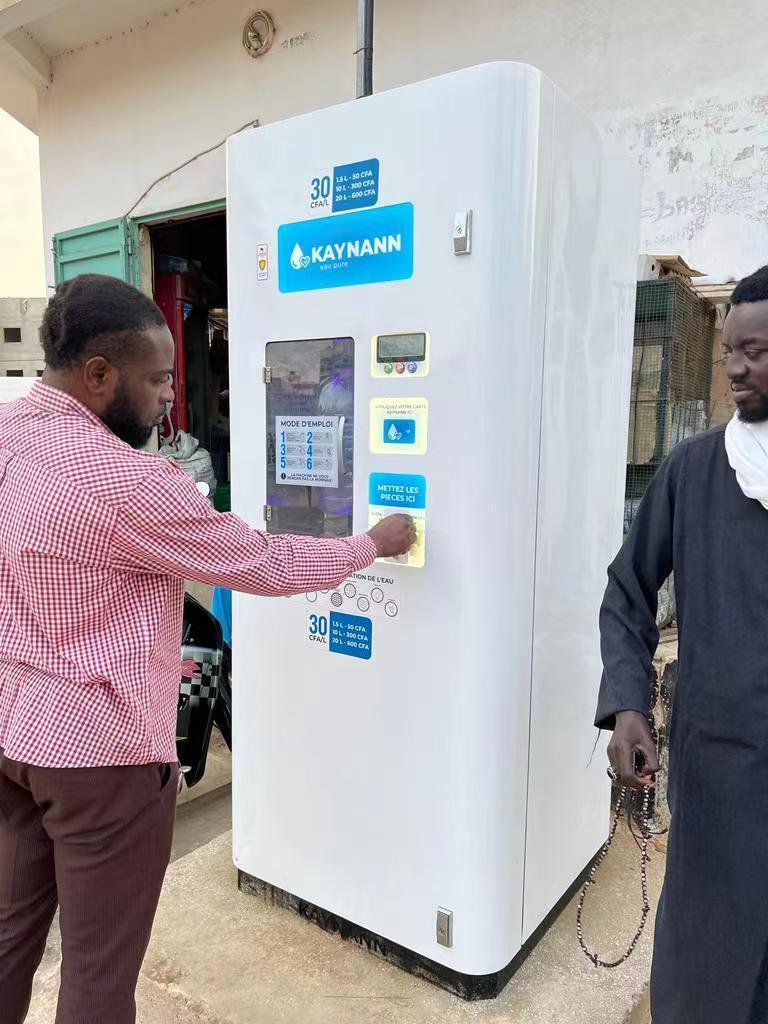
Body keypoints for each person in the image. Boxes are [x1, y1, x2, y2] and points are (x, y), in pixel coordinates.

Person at [0, 274, 415, 1024]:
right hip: (103, 760)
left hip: (15, 738)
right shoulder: (125, 481)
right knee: (98, 974)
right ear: (99, 375)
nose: (169, 398)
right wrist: (373, 541)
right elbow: (263, 562)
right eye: (159, 379)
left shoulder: (10, 432)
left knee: (7, 938)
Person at [596, 264, 768, 1024]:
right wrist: (628, 704)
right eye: (731, 350)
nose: (735, 368)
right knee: (708, 975)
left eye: (756, 351)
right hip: (718, 774)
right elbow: (628, 591)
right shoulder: (694, 472)